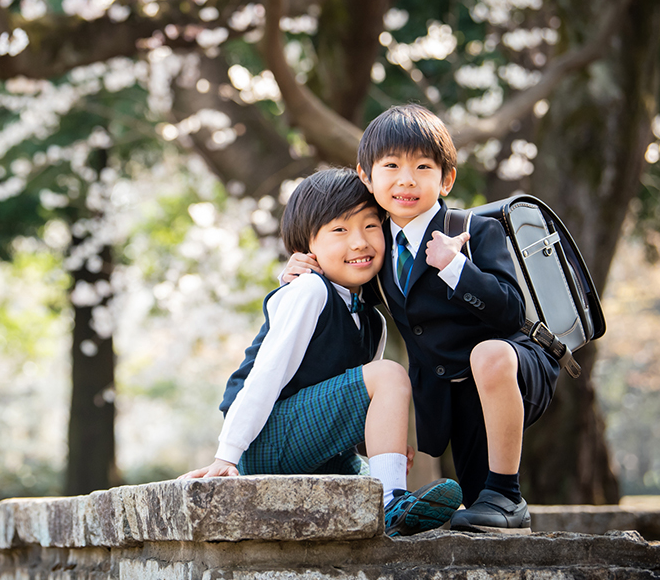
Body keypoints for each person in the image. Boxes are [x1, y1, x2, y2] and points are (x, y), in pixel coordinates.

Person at [287, 104, 558, 533]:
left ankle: (509, 493)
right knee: (479, 513)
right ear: (366, 176)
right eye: (391, 165)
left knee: (488, 358)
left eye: (423, 166)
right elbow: (346, 297)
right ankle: (499, 504)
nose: (406, 179)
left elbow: (510, 310)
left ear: (446, 179)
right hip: (453, 398)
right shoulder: (379, 249)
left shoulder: (475, 229)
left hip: (511, 369)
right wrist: (301, 271)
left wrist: (456, 268)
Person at [180, 168, 462, 538]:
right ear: (307, 247)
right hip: (266, 439)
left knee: (368, 479)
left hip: (314, 448)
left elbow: (348, 397)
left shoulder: (372, 320)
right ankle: (393, 500)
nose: (359, 242)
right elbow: (266, 375)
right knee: (390, 374)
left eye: (370, 226)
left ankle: (393, 496)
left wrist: (382, 448)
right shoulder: (309, 290)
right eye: (339, 230)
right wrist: (227, 455)